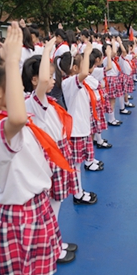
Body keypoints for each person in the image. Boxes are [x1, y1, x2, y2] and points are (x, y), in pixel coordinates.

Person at [0, 22, 62, 275]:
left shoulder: (5, 122)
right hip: (21, 214)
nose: (20, 89)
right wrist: (11, 61)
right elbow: (18, 118)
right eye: (14, 84)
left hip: (33, 206)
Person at [22, 39, 79, 263]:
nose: (53, 80)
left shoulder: (44, 101)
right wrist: (47, 50)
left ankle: (54, 241)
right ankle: (50, 248)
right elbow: (45, 80)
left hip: (58, 152)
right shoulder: (35, 101)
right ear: (35, 80)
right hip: (51, 155)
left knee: (56, 202)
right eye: (49, 75)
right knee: (52, 204)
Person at [58, 45, 101, 204]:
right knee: (76, 165)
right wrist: (87, 52)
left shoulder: (75, 82)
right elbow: (84, 73)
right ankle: (78, 194)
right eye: (83, 63)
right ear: (75, 68)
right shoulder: (70, 82)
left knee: (78, 164)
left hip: (82, 128)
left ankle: (79, 191)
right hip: (76, 131)